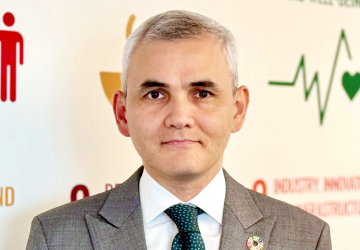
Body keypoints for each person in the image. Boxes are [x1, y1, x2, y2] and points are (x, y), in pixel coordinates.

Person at [26, 10, 331, 250]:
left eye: (202, 93)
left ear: (237, 109)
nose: (180, 117)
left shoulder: (307, 238)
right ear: (122, 113)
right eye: (156, 94)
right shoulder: (56, 238)